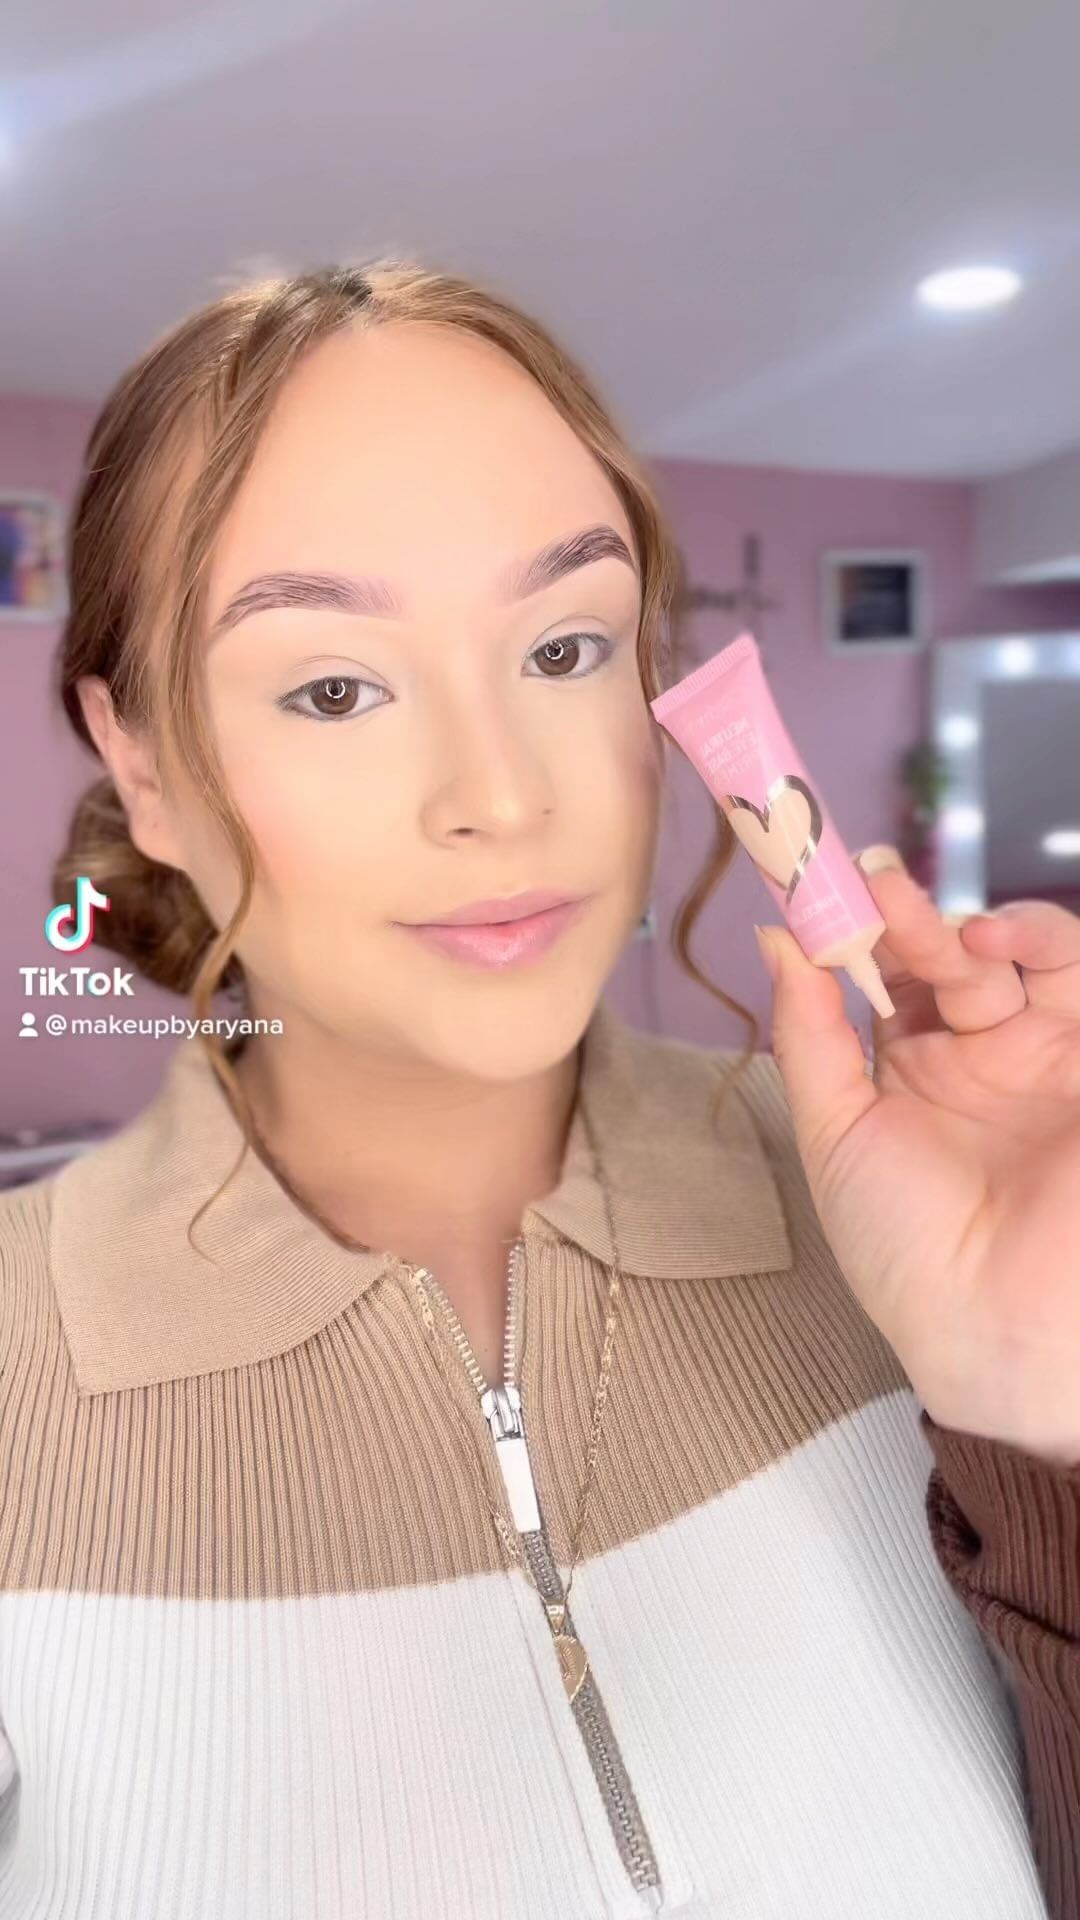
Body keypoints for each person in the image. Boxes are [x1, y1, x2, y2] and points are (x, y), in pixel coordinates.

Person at [0, 258, 1076, 1920]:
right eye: (335, 686)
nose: (504, 795)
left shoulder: (905, 1222)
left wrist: (1039, 1424)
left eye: (568, 647)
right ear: (139, 762)